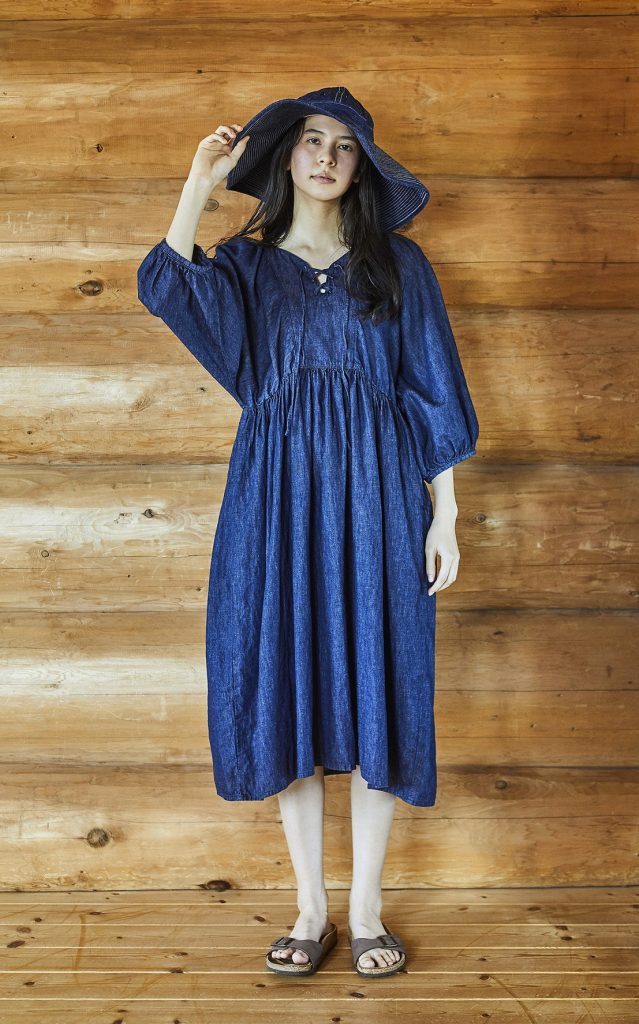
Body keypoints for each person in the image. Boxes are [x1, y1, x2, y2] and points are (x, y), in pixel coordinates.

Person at [137, 86, 479, 979]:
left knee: (380, 680)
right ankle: (311, 909)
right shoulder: (245, 268)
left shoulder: (398, 266)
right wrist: (199, 182)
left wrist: (444, 514)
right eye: (310, 140)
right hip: (274, 497)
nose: (326, 156)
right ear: (285, 156)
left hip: (379, 495)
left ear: (362, 165)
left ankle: (365, 911)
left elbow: (432, 392)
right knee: (282, 678)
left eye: (344, 145)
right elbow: (166, 284)